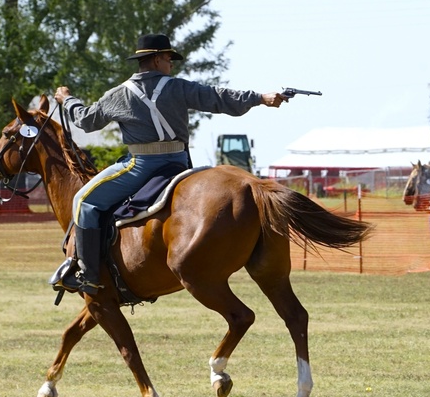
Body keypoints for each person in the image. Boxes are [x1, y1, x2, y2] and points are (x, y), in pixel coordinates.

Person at [51, 33, 288, 294]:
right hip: (180, 164)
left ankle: (89, 274)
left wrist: (67, 100)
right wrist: (259, 98)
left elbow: (85, 120)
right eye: (168, 58)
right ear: (155, 60)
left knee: (84, 201)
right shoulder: (179, 87)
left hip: (140, 166)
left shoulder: (118, 95)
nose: (171, 64)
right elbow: (218, 97)